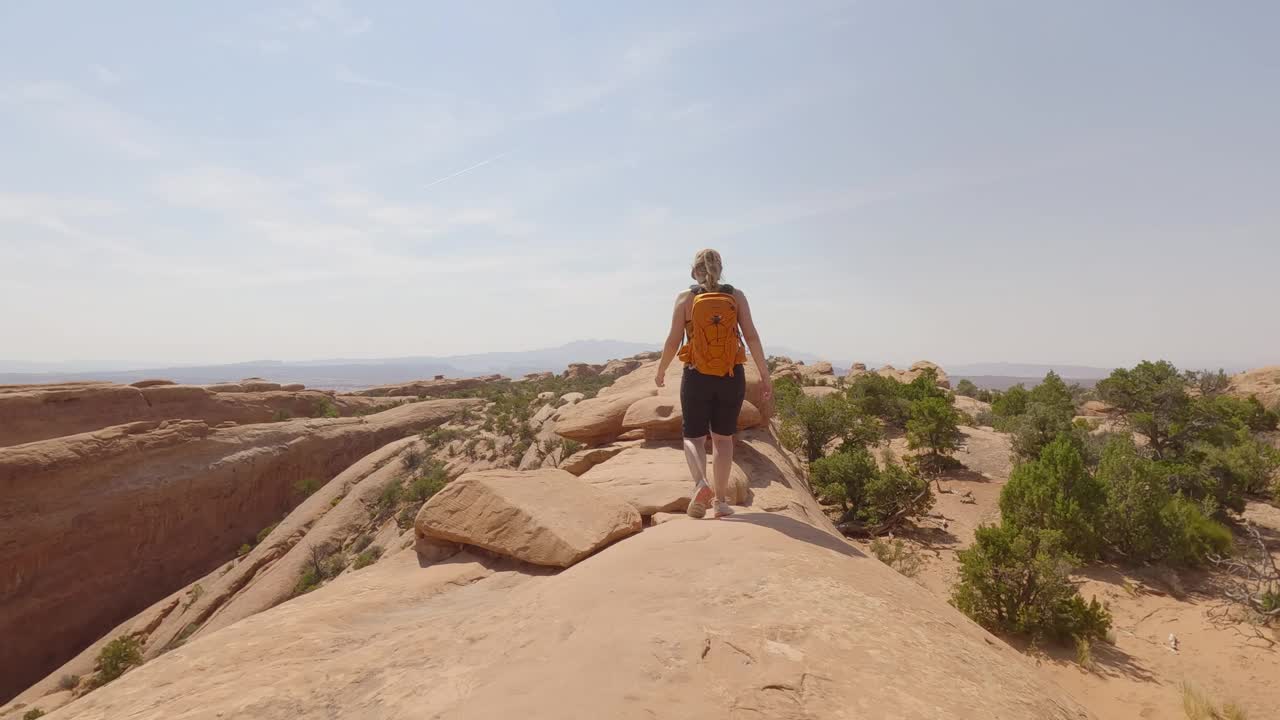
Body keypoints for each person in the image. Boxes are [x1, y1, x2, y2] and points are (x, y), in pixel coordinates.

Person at [656, 249, 773, 519]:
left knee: (693, 437)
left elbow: (674, 340)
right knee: (723, 440)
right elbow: (752, 337)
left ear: (693, 271)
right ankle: (720, 502)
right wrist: (765, 374)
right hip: (731, 376)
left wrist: (661, 369)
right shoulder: (736, 296)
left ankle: (701, 484)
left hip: (696, 375)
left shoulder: (686, 298)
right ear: (720, 270)